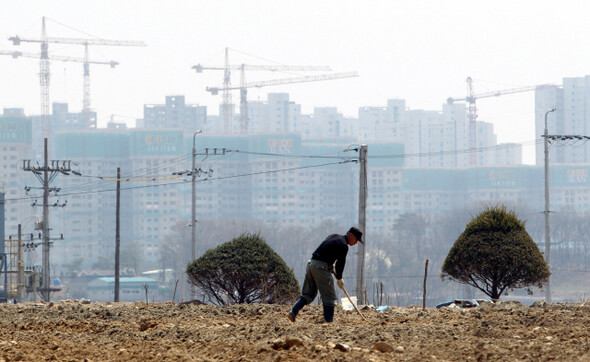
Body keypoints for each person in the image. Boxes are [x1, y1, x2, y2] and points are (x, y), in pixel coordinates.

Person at [287, 226, 363, 323]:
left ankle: (293, 312)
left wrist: (330, 266)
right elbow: (340, 264)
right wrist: (339, 278)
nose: (356, 242)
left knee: (308, 294)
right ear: (351, 236)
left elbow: (325, 251)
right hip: (320, 268)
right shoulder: (344, 245)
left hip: (311, 264)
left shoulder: (334, 236)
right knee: (329, 296)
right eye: (356, 239)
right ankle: (328, 320)